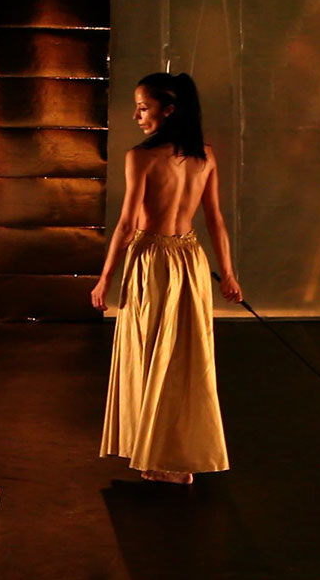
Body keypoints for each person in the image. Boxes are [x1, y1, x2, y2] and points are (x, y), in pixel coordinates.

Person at [91, 72, 244, 485]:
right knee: (183, 358)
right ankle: (172, 457)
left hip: (152, 260)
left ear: (169, 110)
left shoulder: (141, 157)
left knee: (150, 355)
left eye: (144, 107)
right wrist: (227, 275)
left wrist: (104, 280)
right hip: (189, 259)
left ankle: (161, 458)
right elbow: (215, 220)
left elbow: (127, 225)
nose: (137, 115)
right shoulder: (204, 156)